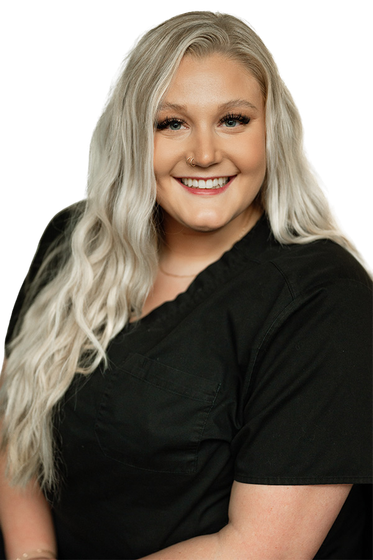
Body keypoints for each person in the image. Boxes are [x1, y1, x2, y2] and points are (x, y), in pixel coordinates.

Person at [0, 9, 372, 560]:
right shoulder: (74, 241)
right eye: (171, 123)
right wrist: (33, 554)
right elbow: (17, 425)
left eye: (233, 120)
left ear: (272, 133)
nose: (203, 153)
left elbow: (260, 549)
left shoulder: (325, 299)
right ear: (133, 133)